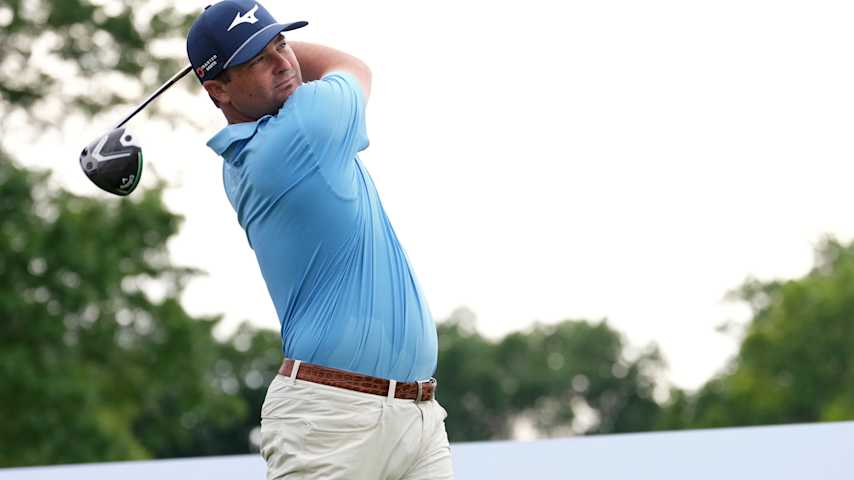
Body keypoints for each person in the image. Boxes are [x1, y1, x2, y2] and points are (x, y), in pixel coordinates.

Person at [186, 1, 453, 478]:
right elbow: (350, 65)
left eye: (281, 44)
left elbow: (295, 70)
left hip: (418, 414)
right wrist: (259, 38)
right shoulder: (303, 130)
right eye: (257, 60)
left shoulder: (258, 146)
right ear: (218, 90)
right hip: (330, 421)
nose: (282, 63)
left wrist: (246, 42)